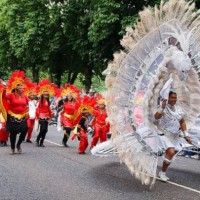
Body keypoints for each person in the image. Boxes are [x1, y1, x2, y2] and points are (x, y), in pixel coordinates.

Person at [154, 91, 192, 181]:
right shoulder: (163, 107)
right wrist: (162, 108)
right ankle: (162, 173)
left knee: (172, 153)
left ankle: (162, 171)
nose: (174, 99)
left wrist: (186, 135)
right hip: (164, 134)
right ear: (168, 98)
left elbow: (182, 121)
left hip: (175, 136)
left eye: (175, 97)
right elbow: (156, 117)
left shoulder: (178, 109)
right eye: (172, 97)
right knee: (171, 152)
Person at [2, 71, 29, 154]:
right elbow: (3, 97)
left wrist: (27, 110)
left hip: (22, 116)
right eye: (20, 88)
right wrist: (5, 88)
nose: (22, 89)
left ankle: (18, 145)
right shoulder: (11, 95)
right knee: (13, 133)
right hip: (12, 116)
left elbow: (27, 104)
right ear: (16, 88)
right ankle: (13, 148)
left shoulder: (24, 97)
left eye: (22, 88)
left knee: (24, 130)